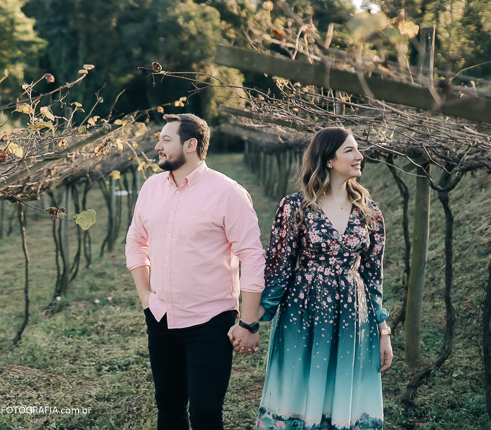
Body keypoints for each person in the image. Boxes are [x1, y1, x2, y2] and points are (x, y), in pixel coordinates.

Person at [126, 113, 265, 430]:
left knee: (205, 414)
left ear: (190, 144)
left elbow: (253, 258)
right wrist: (146, 297)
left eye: (165, 139)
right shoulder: (151, 188)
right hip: (160, 317)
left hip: (210, 322)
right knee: (169, 409)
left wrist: (248, 321)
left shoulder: (228, 193)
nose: (157, 145)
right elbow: (135, 241)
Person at [256, 127, 393, 430]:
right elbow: (278, 268)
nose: (360, 156)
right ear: (328, 159)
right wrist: (252, 319)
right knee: (302, 387)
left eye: (358, 149)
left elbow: (373, 277)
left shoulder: (369, 211)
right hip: (303, 311)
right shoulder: (295, 207)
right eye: (350, 150)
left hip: (352, 315)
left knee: (342, 392)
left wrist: (383, 330)